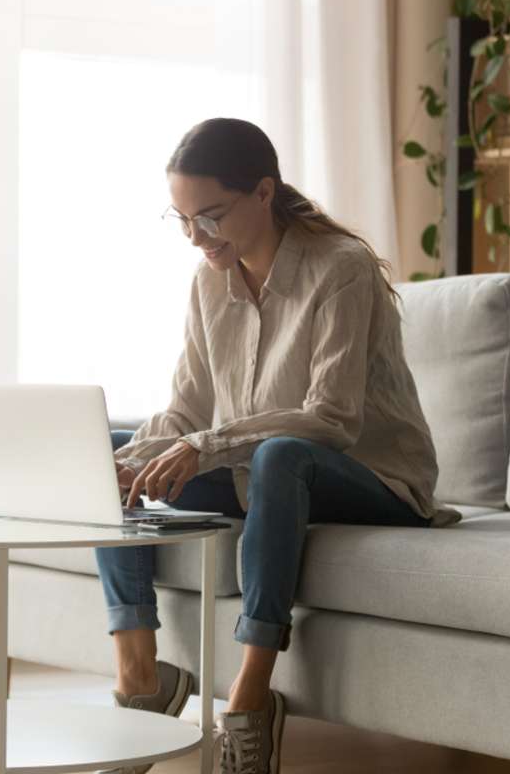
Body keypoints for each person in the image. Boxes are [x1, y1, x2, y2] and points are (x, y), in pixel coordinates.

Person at [95, 117, 461, 774]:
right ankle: (141, 674)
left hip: (374, 479)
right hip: (258, 476)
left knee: (279, 455)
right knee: (111, 456)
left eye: (211, 216)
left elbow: (332, 419)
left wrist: (206, 445)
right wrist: (115, 463)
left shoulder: (340, 269)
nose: (196, 239)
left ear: (264, 192)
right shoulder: (210, 282)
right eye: (181, 220)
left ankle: (250, 695)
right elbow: (187, 406)